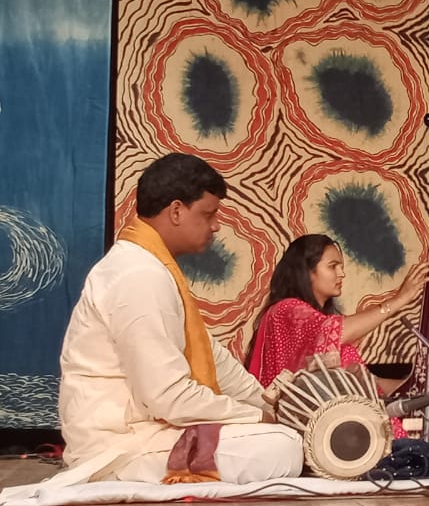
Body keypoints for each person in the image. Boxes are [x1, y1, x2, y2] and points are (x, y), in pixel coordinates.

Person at [54, 154, 303, 486]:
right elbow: (169, 398)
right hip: (120, 447)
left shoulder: (152, 267)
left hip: (147, 433)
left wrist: (273, 407)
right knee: (282, 447)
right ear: (176, 211)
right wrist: (260, 417)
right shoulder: (138, 274)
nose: (216, 226)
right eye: (208, 214)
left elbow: (217, 362)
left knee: (282, 436)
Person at [245, 234, 429, 395]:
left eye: (341, 267)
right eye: (333, 266)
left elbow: (372, 386)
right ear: (306, 271)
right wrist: (399, 300)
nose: (341, 274)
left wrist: (426, 390)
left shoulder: (322, 334)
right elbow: (332, 331)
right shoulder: (286, 310)